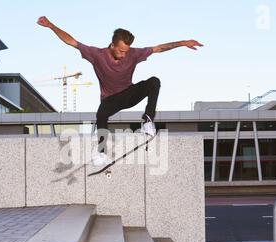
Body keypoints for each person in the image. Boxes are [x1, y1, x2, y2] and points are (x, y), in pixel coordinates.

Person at [37, 16, 203, 166]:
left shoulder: (134, 54)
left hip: (129, 94)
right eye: (121, 51)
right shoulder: (96, 54)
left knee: (154, 82)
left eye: (127, 51)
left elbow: (158, 48)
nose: (124, 55)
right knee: (101, 113)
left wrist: (183, 43)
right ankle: (101, 152)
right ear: (112, 45)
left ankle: (147, 121)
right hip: (110, 100)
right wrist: (51, 26)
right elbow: (72, 42)